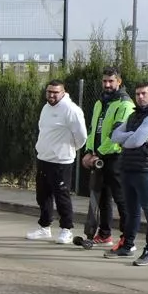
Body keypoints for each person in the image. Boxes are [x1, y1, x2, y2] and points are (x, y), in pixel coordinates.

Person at [104, 82, 148, 266]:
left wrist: (130, 137)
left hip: (145, 170)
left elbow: (136, 142)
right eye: (137, 94)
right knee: (131, 211)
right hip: (128, 168)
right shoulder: (133, 115)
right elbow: (114, 135)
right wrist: (132, 135)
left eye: (144, 93)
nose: (140, 97)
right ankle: (127, 246)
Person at [26, 79, 88, 244]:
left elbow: (81, 137)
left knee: (62, 197)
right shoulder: (46, 108)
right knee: (43, 196)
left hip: (61, 162)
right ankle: (44, 227)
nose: (52, 95)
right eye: (49, 92)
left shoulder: (71, 110)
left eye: (55, 92)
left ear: (63, 92)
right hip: (43, 159)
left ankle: (66, 230)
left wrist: (67, 151)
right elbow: (42, 129)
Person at [82, 67, 134, 247]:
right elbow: (93, 130)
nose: (107, 84)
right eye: (104, 81)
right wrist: (89, 151)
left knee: (121, 198)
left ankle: (128, 238)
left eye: (111, 81)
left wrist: (98, 153)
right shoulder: (100, 102)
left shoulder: (125, 104)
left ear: (119, 81)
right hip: (99, 157)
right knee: (103, 197)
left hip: (116, 158)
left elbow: (116, 134)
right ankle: (104, 234)